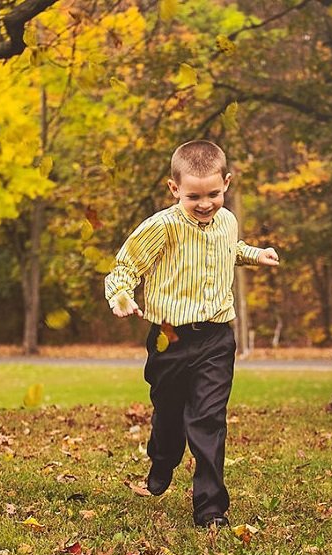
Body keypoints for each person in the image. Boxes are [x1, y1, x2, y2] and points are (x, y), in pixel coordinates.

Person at [105, 141, 279, 528]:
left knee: (208, 419)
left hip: (217, 338)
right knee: (169, 415)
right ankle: (163, 459)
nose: (205, 204)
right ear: (174, 189)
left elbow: (228, 249)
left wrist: (255, 254)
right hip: (170, 338)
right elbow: (125, 267)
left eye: (213, 194)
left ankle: (210, 508)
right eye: (194, 196)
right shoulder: (161, 227)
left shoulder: (228, 220)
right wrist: (120, 295)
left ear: (227, 184)